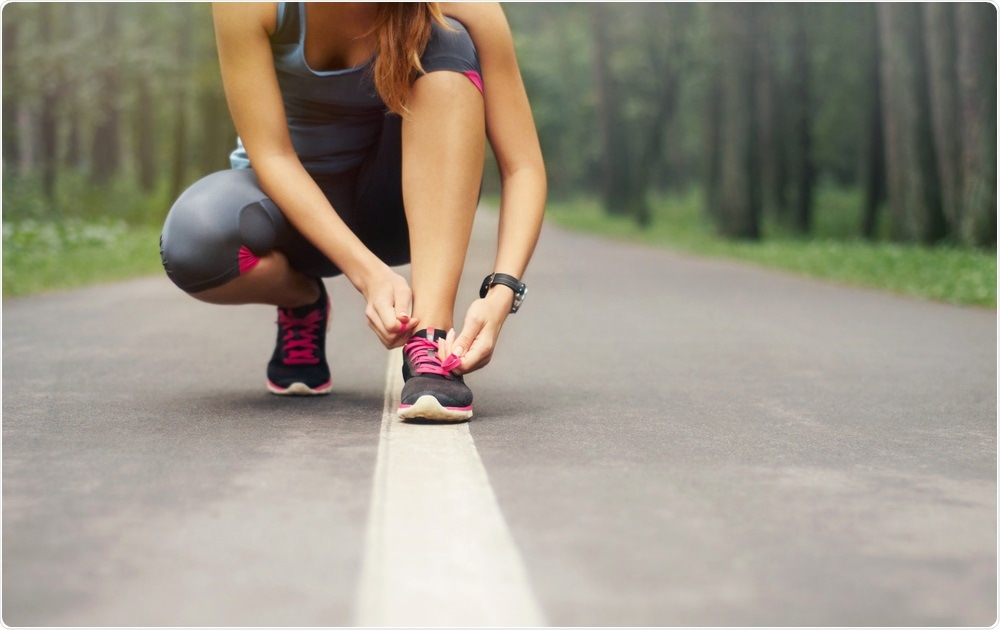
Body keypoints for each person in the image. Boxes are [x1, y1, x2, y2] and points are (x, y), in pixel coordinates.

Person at [159, 3, 546, 422]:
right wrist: (369, 276)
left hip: (394, 214)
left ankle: (431, 339)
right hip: (292, 216)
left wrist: (501, 294)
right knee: (192, 242)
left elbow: (523, 166)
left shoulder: (466, 7)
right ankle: (302, 298)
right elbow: (271, 155)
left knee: (448, 38)